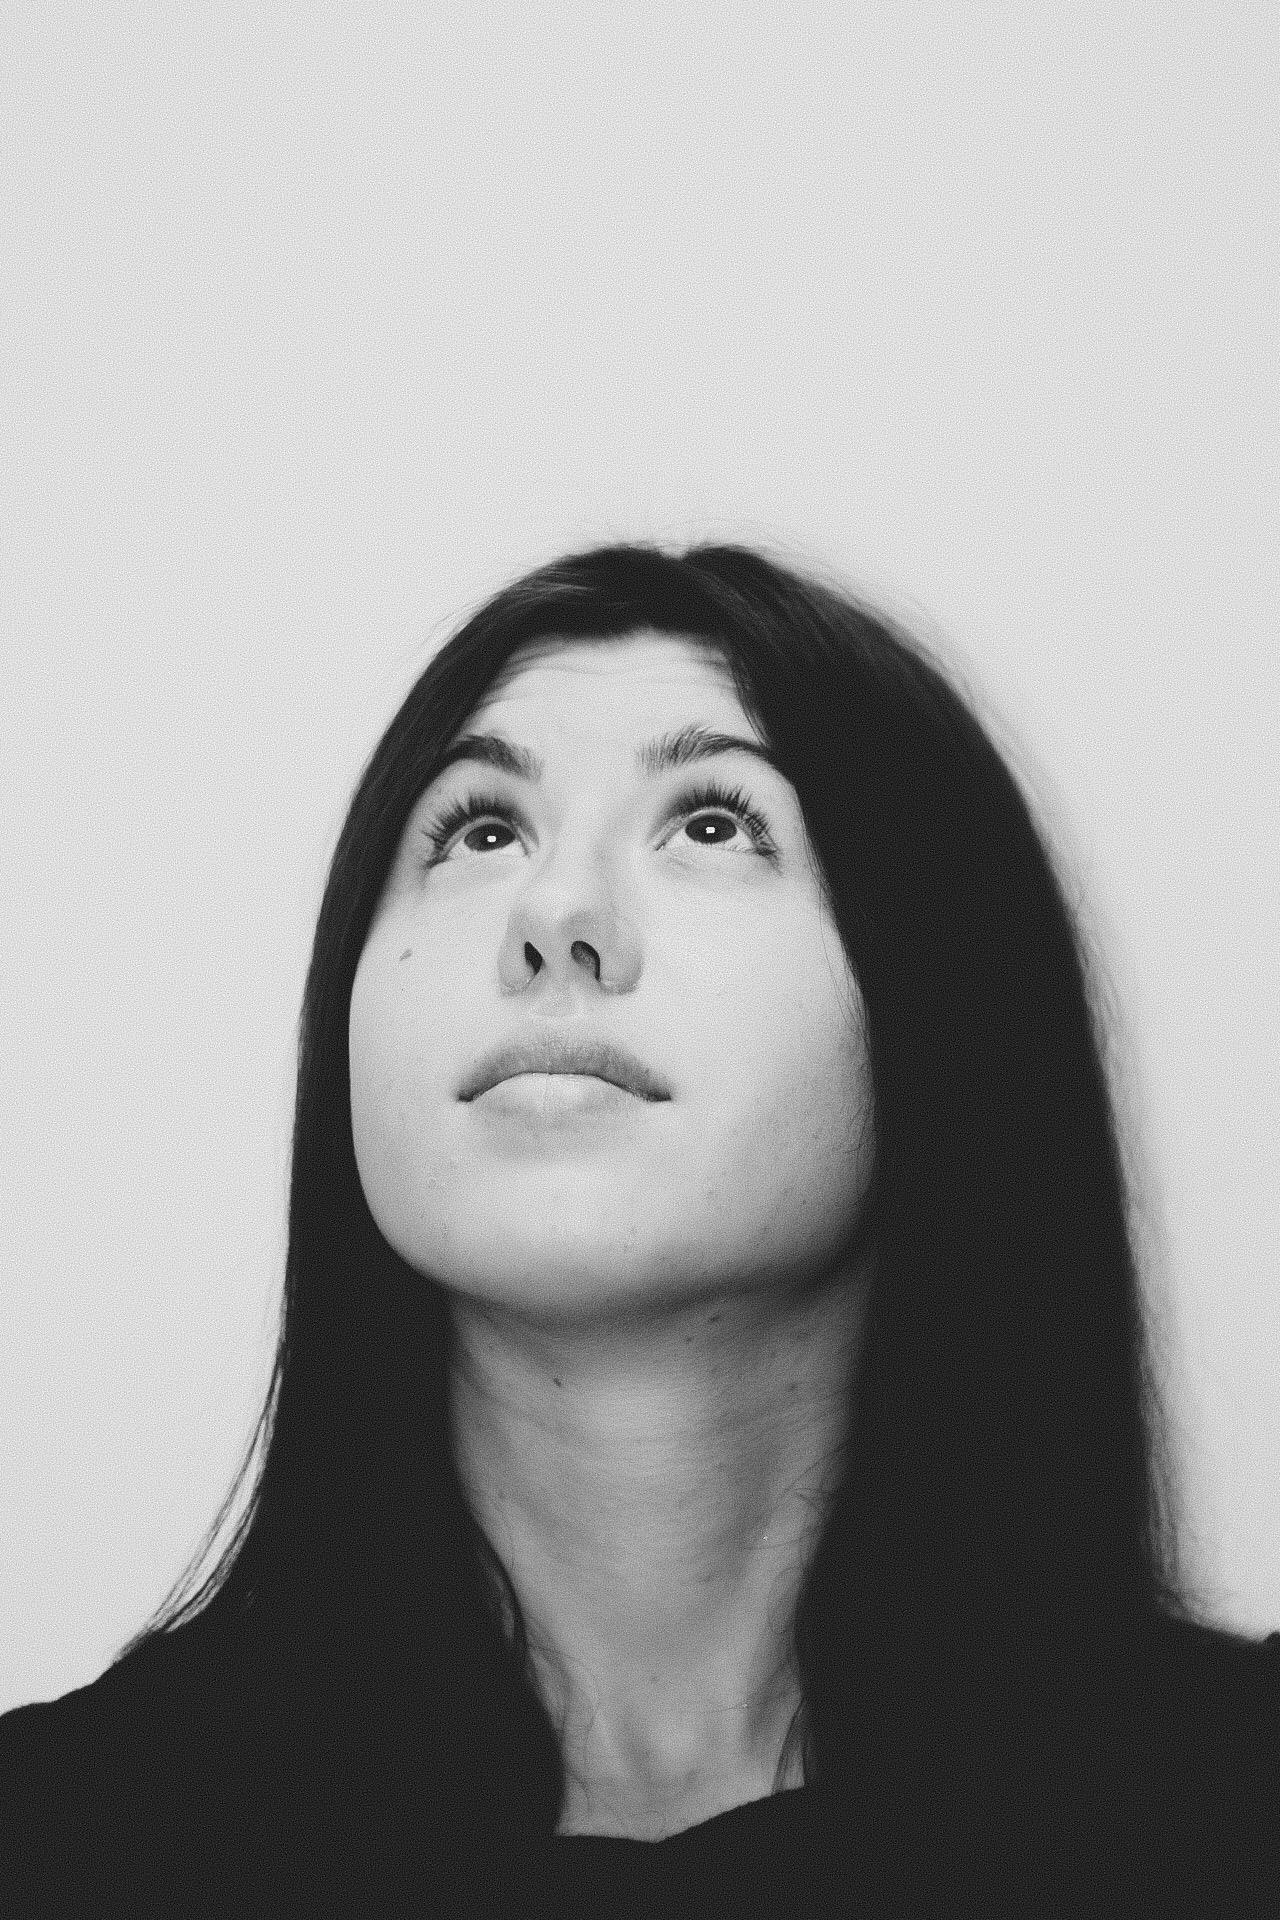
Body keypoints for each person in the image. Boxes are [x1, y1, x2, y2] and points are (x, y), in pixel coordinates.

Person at [2, 543, 1276, 1916]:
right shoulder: (64, 1843)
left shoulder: (1229, 1815)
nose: (556, 916)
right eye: (480, 830)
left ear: (942, 1000)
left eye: (715, 823)